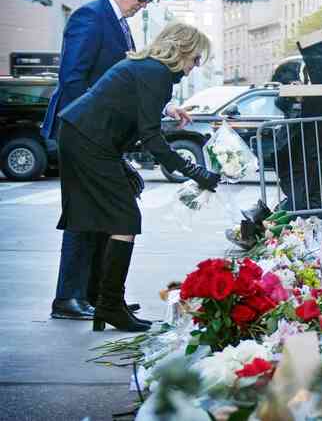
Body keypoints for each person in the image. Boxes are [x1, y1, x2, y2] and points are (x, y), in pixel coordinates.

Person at [42, 0, 192, 320]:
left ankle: (95, 297)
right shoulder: (90, 17)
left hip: (95, 135)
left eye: (149, 0)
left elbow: (129, 77)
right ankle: (68, 298)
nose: (144, 4)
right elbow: (73, 80)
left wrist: (165, 105)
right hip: (82, 132)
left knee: (100, 212)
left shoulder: (121, 25)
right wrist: (88, 130)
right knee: (82, 214)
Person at [56, 22, 220, 332]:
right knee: (124, 219)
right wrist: (194, 171)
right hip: (89, 140)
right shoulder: (156, 73)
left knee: (109, 217)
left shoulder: (150, 70)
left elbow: (139, 110)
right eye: (195, 59)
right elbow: (151, 137)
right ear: (182, 49)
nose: (194, 67)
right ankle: (109, 304)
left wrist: (167, 109)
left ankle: (103, 300)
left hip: (84, 136)